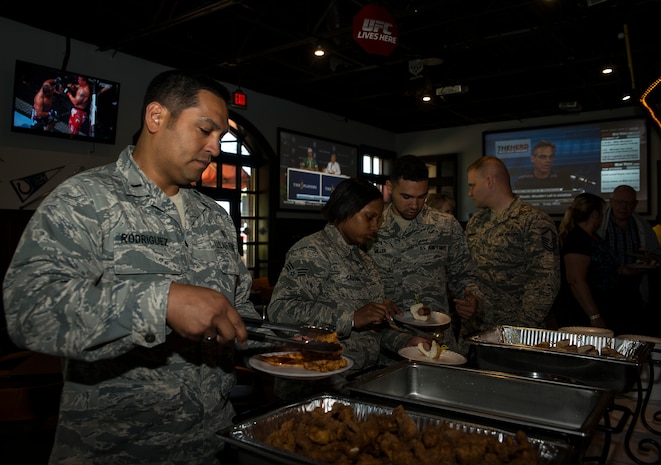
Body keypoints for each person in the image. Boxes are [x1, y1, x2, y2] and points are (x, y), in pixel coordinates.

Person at [3, 70, 264, 464]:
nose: (215, 148)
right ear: (157, 117)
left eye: (219, 138)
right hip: (118, 451)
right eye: (205, 130)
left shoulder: (213, 217)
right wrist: (160, 304)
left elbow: (237, 309)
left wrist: (279, 343)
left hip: (211, 443)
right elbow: (28, 308)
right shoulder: (85, 200)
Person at [268, 177, 429, 400]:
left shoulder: (363, 259)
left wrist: (404, 341)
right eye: (369, 217)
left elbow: (372, 329)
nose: (375, 226)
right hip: (315, 386)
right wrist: (350, 318)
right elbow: (281, 312)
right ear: (345, 211)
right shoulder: (312, 251)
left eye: (379, 219)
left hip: (358, 382)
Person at [366, 155, 481, 354]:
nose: (414, 205)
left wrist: (473, 300)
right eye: (407, 197)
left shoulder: (445, 226)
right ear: (389, 187)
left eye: (422, 197)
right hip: (384, 340)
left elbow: (464, 275)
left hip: (435, 340)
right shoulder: (371, 227)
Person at [465, 156, 560, 336]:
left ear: (489, 181)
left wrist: (522, 331)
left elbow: (545, 282)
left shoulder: (534, 220)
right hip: (476, 329)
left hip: (514, 331)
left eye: (472, 185)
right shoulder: (476, 221)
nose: (470, 193)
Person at [550, 193, 635, 333]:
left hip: (605, 307)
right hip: (582, 313)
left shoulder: (593, 237)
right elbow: (576, 280)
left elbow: (604, 268)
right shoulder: (577, 239)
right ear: (595, 214)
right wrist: (594, 315)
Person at [597, 185, 661, 329]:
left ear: (635, 204)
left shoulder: (642, 226)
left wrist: (651, 259)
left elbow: (656, 252)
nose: (623, 207)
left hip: (634, 288)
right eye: (620, 202)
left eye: (628, 203)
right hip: (606, 289)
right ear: (612, 202)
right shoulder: (600, 224)